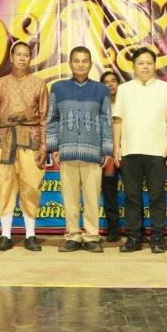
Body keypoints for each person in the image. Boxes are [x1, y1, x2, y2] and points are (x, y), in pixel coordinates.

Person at [113, 47, 167, 254]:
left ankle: (157, 238)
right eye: (141, 63)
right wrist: (116, 146)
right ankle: (133, 237)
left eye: (149, 63)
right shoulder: (124, 89)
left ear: (155, 65)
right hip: (130, 150)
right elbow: (117, 120)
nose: (145, 67)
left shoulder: (165, 88)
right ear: (133, 66)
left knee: (157, 196)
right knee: (132, 197)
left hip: (157, 151)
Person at [47, 47, 112, 253]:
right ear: (70, 64)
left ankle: (92, 236)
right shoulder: (58, 88)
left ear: (91, 64)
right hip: (66, 151)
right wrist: (53, 147)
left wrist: (107, 149)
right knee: (70, 199)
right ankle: (73, 236)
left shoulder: (101, 90)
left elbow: (106, 120)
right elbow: (52, 119)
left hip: (93, 152)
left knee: (92, 198)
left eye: (84, 61)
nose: (80, 64)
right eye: (76, 61)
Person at [0, 41, 48, 252]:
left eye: (26, 55)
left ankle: (30, 235)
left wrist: (44, 145)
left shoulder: (39, 84)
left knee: (31, 186)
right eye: (19, 54)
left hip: (30, 139)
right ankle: (5, 235)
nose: (22, 58)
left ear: (30, 59)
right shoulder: (0, 83)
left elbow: (45, 117)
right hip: (3, 140)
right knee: (4, 187)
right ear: (11, 57)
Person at [99, 70, 121, 241]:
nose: (110, 84)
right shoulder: (99, 105)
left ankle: (138, 231)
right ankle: (113, 230)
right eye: (106, 82)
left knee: (133, 193)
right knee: (109, 192)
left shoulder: (126, 103)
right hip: (108, 155)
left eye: (113, 81)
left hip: (127, 151)